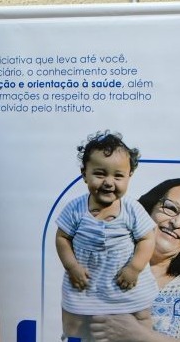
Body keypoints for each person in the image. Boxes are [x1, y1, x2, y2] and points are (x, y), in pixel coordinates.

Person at [90, 178, 180, 342]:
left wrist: (141, 336)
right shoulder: (107, 261)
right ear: (148, 209)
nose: (176, 223)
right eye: (171, 208)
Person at [55, 131, 159, 341]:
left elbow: (147, 239)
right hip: (85, 284)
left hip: (125, 283)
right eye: (100, 174)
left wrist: (134, 268)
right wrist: (72, 267)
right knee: (73, 321)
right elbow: (62, 238)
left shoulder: (132, 209)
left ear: (129, 176)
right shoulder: (75, 209)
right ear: (84, 174)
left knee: (142, 316)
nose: (109, 182)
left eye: (118, 176)